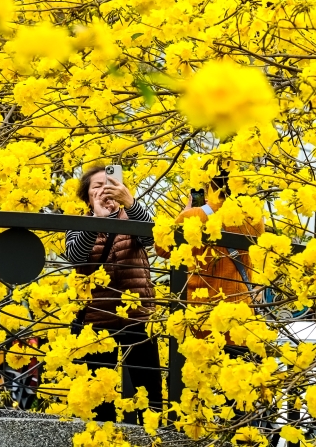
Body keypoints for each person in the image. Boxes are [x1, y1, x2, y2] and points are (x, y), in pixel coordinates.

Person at [64, 165, 162, 422]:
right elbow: (76, 256)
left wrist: (130, 202)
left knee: (149, 391)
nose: (104, 190)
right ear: (87, 197)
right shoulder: (78, 224)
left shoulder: (132, 219)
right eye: (97, 186)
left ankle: (151, 436)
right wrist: (96, 221)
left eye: (110, 185)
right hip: (97, 322)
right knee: (99, 397)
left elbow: (153, 238)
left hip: (138, 317)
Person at [155, 169, 265, 349]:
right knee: (237, 362)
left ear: (210, 182)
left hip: (201, 314)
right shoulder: (255, 217)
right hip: (240, 312)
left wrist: (185, 213)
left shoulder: (196, 215)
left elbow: (162, 249)